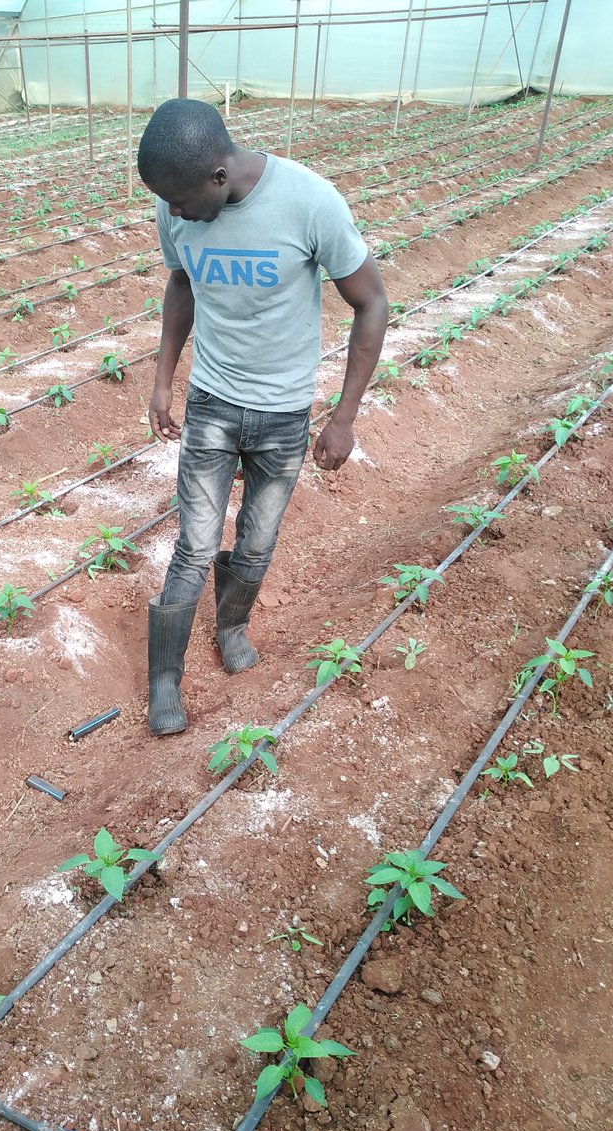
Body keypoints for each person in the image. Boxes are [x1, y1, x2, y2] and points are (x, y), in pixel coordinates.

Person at [137, 98, 388, 736]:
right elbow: (181, 284)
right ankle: (164, 681)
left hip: (282, 414)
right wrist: (164, 379)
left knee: (255, 540)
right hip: (213, 403)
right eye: (165, 202)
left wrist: (344, 415)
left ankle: (231, 626)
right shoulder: (177, 204)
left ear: (218, 178)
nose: (173, 214)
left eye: (182, 201)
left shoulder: (309, 202)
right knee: (194, 544)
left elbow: (372, 302)